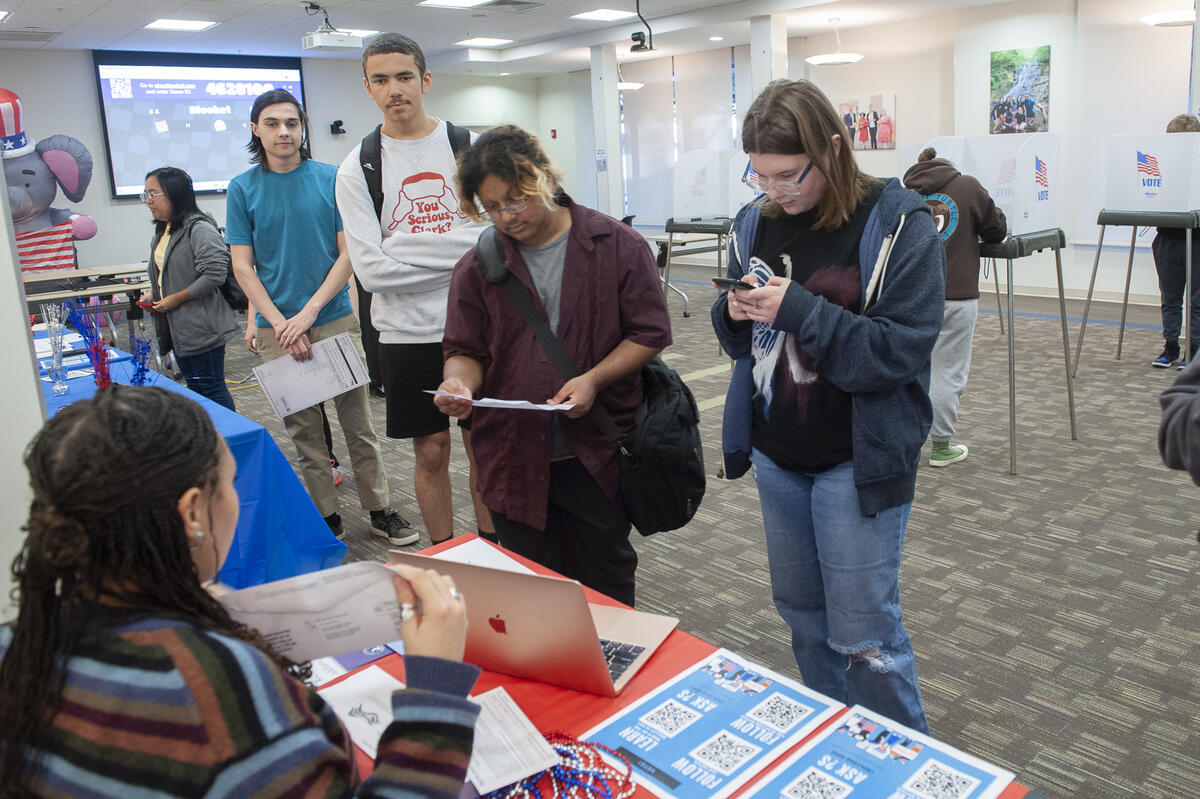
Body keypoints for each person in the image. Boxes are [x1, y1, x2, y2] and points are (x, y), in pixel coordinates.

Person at [0, 385, 479, 796]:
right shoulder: (221, 694)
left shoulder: (20, 644)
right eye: (229, 485)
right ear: (191, 514)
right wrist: (434, 689)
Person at [711, 79, 944, 731]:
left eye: (788, 175)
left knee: (866, 640)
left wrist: (801, 310)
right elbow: (739, 342)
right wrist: (733, 310)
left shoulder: (897, 221)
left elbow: (897, 354)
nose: (773, 190)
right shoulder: (754, 218)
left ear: (833, 150)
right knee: (805, 620)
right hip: (779, 453)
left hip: (855, 460)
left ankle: (902, 762)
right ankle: (832, 746)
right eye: (758, 174)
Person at [434, 125, 671, 606]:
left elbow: (649, 333)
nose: (505, 217)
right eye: (492, 208)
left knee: (605, 583)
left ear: (544, 178)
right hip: (512, 454)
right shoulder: (477, 266)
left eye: (516, 201)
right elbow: (466, 349)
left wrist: (592, 380)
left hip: (596, 451)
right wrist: (458, 383)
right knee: (532, 590)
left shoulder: (617, 245)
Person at [227, 89, 415, 546]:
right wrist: (277, 321)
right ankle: (326, 516)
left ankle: (379, 509)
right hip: (278, 327)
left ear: (303, 127)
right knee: (305, 432)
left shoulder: (332, 178)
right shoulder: (242, 188)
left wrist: (308, 312)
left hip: (330, 318)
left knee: (359, 425)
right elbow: (242, 266)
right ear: (256, 130)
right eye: (272, 123)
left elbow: (347, 254)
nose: (283, 131)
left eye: (291, 122)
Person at [336, 33, 493, 546]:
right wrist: (460, 254)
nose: (394, 89)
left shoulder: (466, 149)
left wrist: (400, 242)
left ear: (425, 79)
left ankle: (496, 551)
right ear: (368, 88)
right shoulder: (358, 167)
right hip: (405, 333)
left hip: (478, 327)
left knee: (483, 449)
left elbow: (493, 241)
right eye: (380, 80)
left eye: (404, 76)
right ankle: (447, 553)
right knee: (430, 452)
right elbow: (372, 274)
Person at [903, 147, 1007, 466]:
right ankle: (942, 447)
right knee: (947, 371)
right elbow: (996, 229)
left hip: (912, 296)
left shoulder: (904, 192)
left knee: (909, 370)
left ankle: (904, 440)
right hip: (957, 295)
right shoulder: (967, 186)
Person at [140, 166, 238, 410]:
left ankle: (229, 439)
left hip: (203, 325)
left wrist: (176, 298)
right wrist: (156, 291)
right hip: (179, 326)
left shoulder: (200, 228)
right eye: (145, 195)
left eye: (153, 194)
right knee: (196, 390)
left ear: (174, 194)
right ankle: (208, 437)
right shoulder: (164, 229)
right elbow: (167, 271)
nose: (148, 201)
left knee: (212, 388)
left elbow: (214, 274)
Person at [1151, 113, 1200, 370]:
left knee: (1197, 301)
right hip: (1167, 239)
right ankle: (1170, 347)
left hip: (1197, 240)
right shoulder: (1161, 166)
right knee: (1170, 298)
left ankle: (1193, 351)